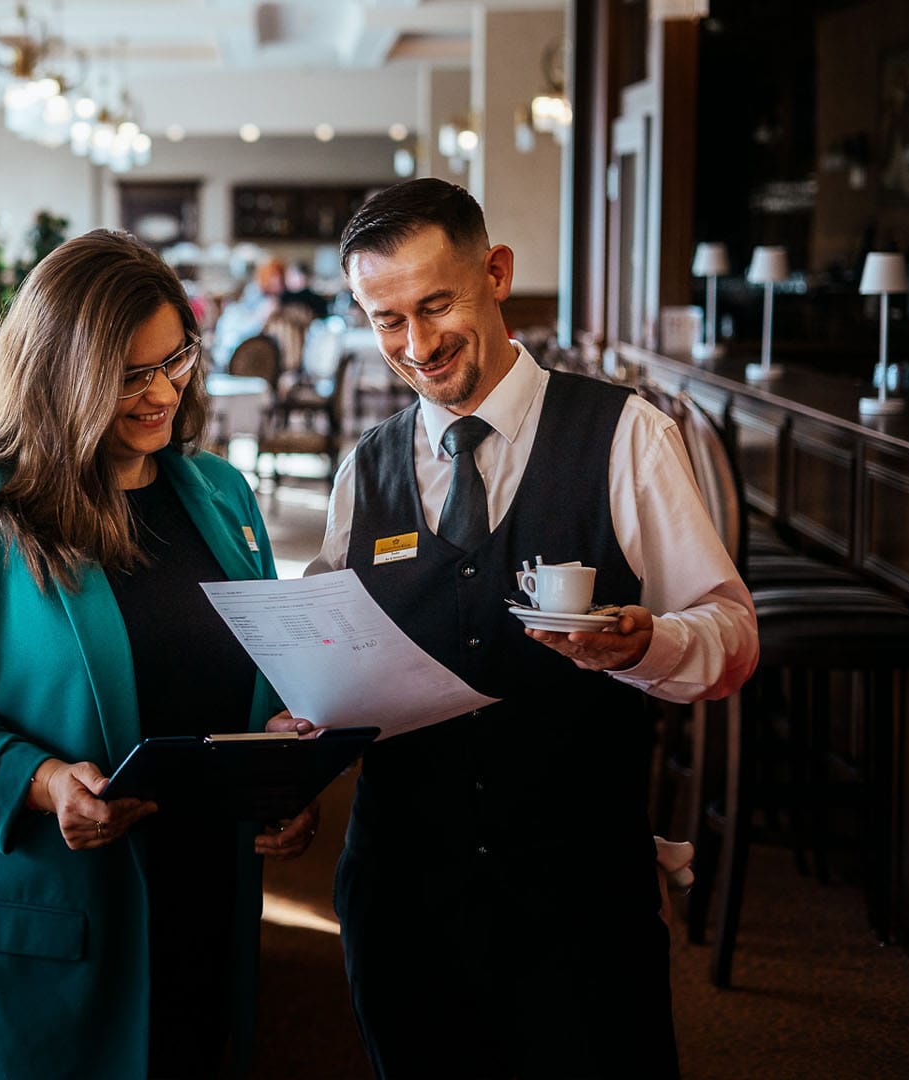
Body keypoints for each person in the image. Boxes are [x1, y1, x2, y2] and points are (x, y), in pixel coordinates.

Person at [297, 178, 758, 1078]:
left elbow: (732, 637)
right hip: (403, 897)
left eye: (436, 305)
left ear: (497, 273)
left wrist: (647, 647)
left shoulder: (625, 436)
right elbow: (327, 654)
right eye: (387, 320)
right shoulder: (366, 470)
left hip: (578, 897)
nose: (417, 345)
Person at [0, 229, 314, 1079]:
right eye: (128, 375)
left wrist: (283, 771)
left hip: (202, 911)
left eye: (175, 360)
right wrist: (41, 782)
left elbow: (256, 679)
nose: (163, 393)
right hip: (47, 933)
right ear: (59, 374)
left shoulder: (222, 495)